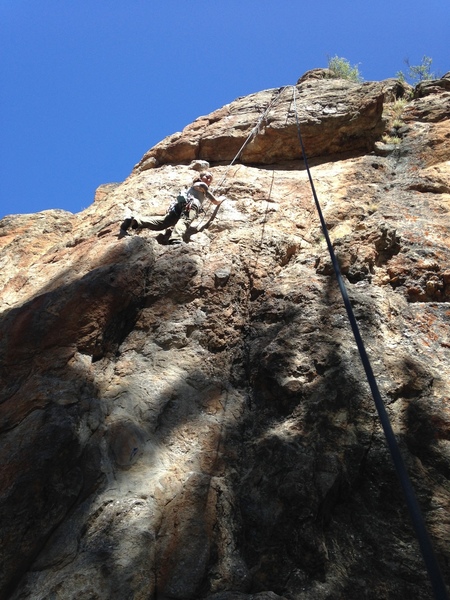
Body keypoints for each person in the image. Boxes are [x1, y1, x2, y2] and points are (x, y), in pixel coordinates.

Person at [119, 172, 224, 244]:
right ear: (201, 178)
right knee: (185, 220)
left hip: (180, 205)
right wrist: (217, 200)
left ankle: (134, 221)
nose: (208, 179)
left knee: (163, 222)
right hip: (191, 204)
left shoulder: (192, 188)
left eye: (210, 178)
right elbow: (204, 188)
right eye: (206, 176)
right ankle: (176, 239)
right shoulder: (200, 184)